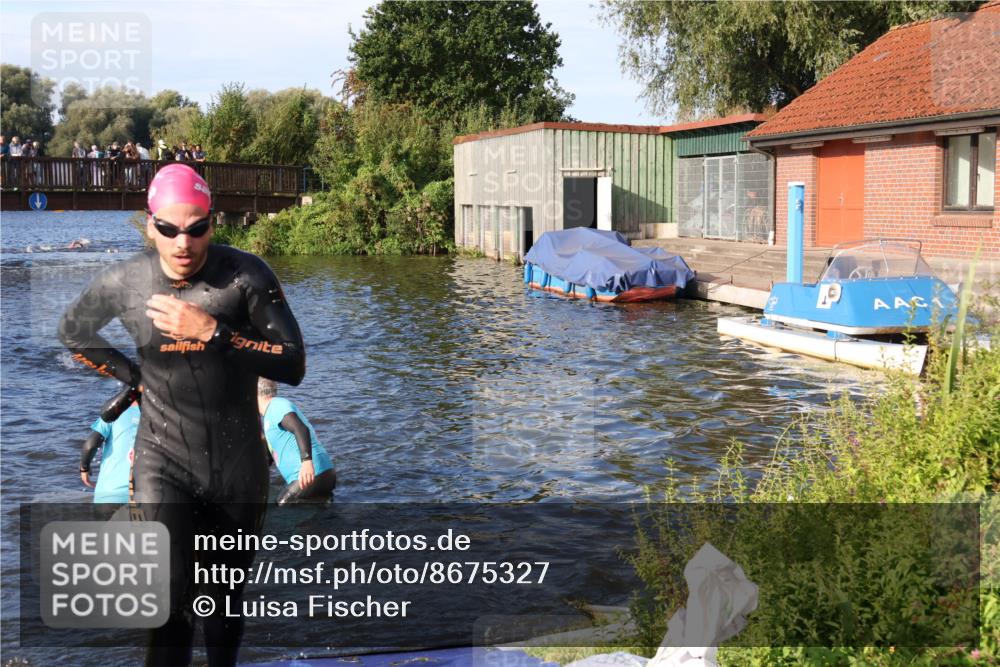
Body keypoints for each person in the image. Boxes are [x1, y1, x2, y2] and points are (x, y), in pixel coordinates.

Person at [58, 163, 306, 667]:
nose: (183, 243)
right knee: (167, 604)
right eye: (169, 229)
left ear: (213, 223)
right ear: (150, 224)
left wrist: (216, 333)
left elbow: (295, 362)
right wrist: (132, 377)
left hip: (236, 464)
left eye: (197, 229)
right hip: (161, 460)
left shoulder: (245, 277)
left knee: (221, 604)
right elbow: (73, 329)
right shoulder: (125, 281)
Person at [257, 379, 336, 505]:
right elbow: (270, 456)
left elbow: (300, 429)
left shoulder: (276, 406)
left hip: (311, 474)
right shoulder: (269, 416)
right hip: (320, 474)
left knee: (282, 506)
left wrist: (306, 462)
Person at [80, 395, 140, 504]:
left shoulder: (113, 412)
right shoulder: (162, 416)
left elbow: (90, 446)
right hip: (145, 495)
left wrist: (84, 469)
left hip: (109, 494)